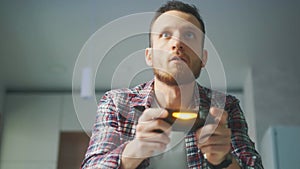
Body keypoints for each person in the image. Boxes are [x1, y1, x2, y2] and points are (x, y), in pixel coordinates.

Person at [81, 1, 263, 168]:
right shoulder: (116, 103)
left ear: (203, 58)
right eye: (166, 35)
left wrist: (223, 160)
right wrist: (136, 150)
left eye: (189, 34)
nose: (177, 43)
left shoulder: (226, 107)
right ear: (149, 56)